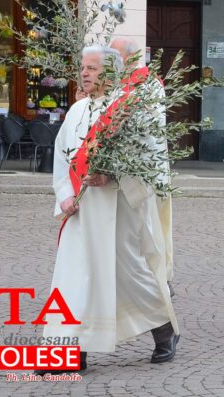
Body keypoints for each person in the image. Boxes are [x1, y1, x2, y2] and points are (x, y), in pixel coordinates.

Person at [41, 46, 178, 373]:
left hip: (118, 211)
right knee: (74, 278)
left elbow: (148, 160)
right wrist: (64, 195)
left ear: (111, 73)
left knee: (131, 275)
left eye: (91, 68)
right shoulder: (76, 110)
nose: (84, 73)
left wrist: (111, 175)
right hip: (80, 211)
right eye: (83, 68)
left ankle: (165, 330)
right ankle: (69, 350)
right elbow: (62, 157)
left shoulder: (130, 110)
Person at [110, 37, 174, 295]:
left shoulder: (147, 83)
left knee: (148, 226)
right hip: (122, 167)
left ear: (130, 58)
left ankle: (158, 278)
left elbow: (148, 125)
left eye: (115, 56)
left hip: (144, 166)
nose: (111, 61)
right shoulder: (117, 82)